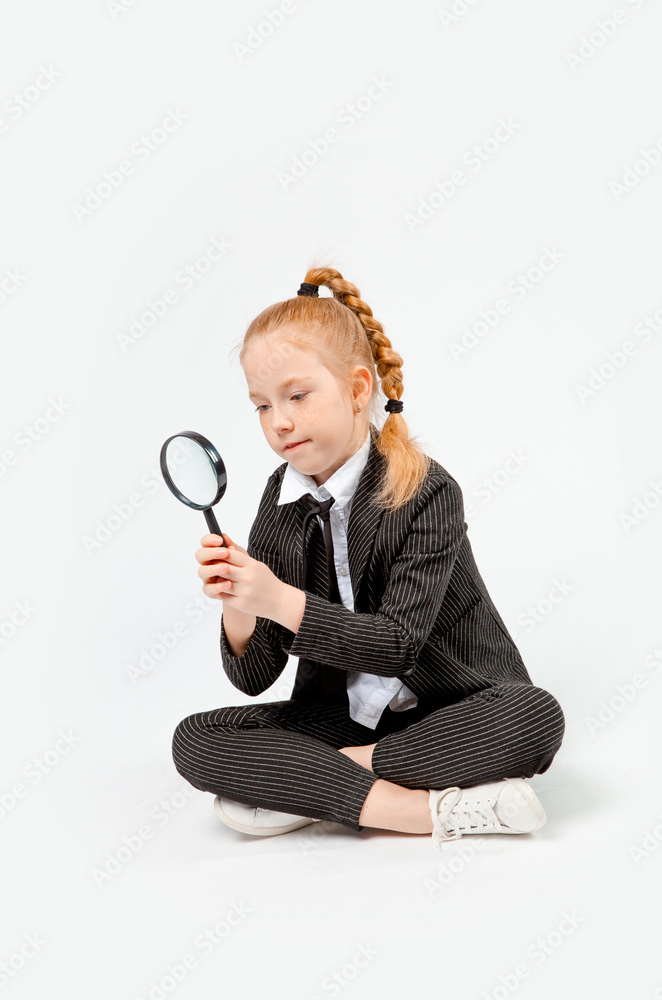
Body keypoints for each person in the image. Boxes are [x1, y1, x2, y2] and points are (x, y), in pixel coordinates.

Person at [172, 266, 565, 851]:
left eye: (297, 396)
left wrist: (280, 599)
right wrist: (240, 604)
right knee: (195, 738)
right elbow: (252, 679)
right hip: (347, 715)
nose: (279, 421)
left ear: (358, 390)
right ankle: (420, 810)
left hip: (449, 705)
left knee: (535, 716)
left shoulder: (425, 489)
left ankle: (319, 783)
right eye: (261, 406)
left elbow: (398, 646)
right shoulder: (280, 502)